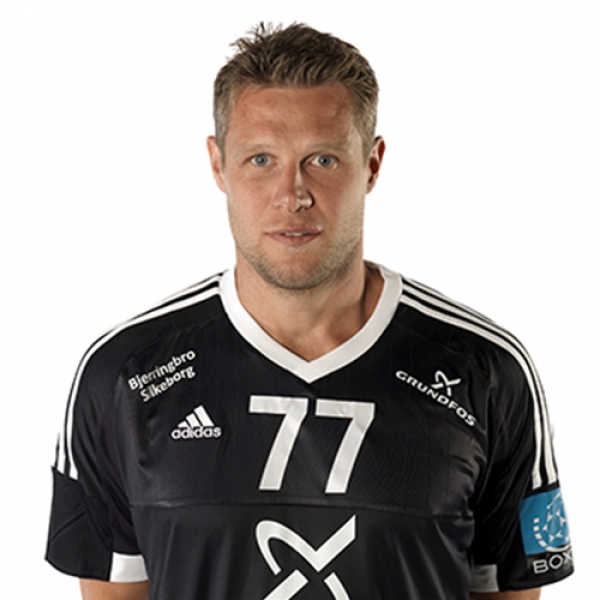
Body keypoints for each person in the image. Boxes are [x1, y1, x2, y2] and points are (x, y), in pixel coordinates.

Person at [46, 23, 573, 600]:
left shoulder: (487, 373)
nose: (292, 194)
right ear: (218, 165)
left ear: (372, 164)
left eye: (322, 159)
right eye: (261, 159)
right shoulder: (124, 375)